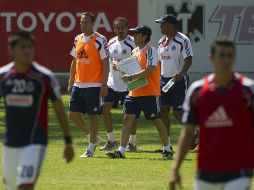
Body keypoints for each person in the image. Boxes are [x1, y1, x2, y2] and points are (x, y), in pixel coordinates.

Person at [169, 37, 254, 190]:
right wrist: (175, 168)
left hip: (239, 168)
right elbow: (187, 132)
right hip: (206, 169)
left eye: (230, 56)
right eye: (222, 55)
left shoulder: (247, 90)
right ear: (211, 57)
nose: (226, 60)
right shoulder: (198, 91)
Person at [1, 31, 74, 190]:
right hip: (10, 143)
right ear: (11, 50)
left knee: (24, 187)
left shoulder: (44, 78)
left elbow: (60, 110)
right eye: (22, 47)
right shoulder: (3, 76)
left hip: (35, 142)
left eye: (30, 47)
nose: (27, 51)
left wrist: (68, 142)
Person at [106, 25, 172, 159]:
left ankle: (167, 149)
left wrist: (129, 77)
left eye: (137, 34)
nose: (134, 36)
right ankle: (121, 151)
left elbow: (150, 70)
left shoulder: (151, 50)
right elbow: (133, 70)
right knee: (127, 119)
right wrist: (119, 69)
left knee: (157, 121)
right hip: (134, 93)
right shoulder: (135, 51)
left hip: (149, 93)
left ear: (144, 37)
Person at [68, 12, 109, 158]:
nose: (82, 24)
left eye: (86, 22)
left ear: (92, 24)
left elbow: (105, 63)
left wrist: (104, 84)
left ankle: (90, 149)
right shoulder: (77, 39)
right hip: (79, 84)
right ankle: (94, 138)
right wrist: (71, 81)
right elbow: (74, 61)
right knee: (72, 114)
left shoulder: (100, 39)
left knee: (93, 117)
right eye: (81, 21)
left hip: (94, 84)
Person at [155, 14, 195, 152]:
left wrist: (181, 74)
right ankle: (167, 145)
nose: (160, 26)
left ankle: (194, 133)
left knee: (177, 113)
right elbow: (159, 62)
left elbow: (189, 59)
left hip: (178, 81)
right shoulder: (161, 42)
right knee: (163, 112)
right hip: (164, 81)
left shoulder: (183, 40)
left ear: (171, 25)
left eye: (162, 24)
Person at [100, 17, 139, 152]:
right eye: (117, 27)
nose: (120, 30)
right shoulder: (110, 42)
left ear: (127, 28)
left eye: (122, 27)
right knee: (104, 109)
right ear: (114, 28)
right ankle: (111, 140)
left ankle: (132, 143)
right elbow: (107, 61)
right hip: (113, 84)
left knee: (131, 115)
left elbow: (138, 62)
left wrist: (122, 68)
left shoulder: (133, 43)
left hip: (128, 84)